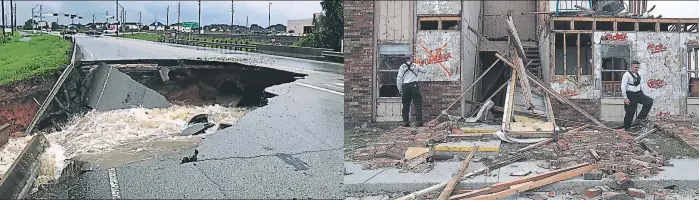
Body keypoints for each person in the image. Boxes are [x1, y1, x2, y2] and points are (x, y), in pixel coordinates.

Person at [621, 60, 654, 132]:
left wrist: (643, 93)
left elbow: (641, 84)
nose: (637, 69)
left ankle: (640, 118)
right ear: (632, 66)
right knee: (630, 111)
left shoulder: (639, 73)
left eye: (638, 67)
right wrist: (625, 98)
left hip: (638, 93)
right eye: (635, 67)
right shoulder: (626, 75)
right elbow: (623, 86)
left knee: (649, 102)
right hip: (630, 94)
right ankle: (627, 127)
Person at [396, 57, 427, 127]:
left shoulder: (402, 67)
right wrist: (424, 63)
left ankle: (405, 121)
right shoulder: (416, 65)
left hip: (405, 86)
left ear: (405, 58)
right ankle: (418, 121)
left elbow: (399, 78)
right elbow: (424, 70)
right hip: (414, 85)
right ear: (411, 58)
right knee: (417, 103)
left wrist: (400, 89)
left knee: (406, 104)